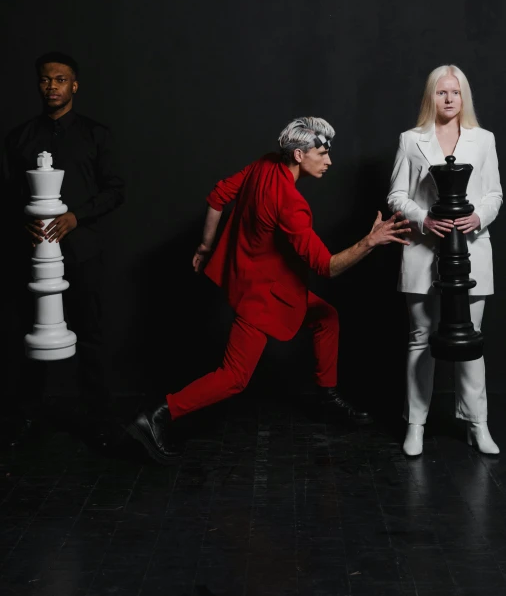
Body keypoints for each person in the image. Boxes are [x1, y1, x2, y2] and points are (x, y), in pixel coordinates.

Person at [128, 116, 410, 464]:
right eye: (321, 153)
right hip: (263, 297)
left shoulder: (265, 164)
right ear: (297, 155)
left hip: (253, 279)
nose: (329, 161)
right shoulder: (291, 205)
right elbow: (327, 266)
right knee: (233, 378)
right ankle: (158, 416)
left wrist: (205, 247)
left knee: (326, 318)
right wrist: (370, 241)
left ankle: (325, 396)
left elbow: (218, 197)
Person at [0, 51, 125, 442]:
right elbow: (7, 194)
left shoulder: (95, 134)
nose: (51, 86)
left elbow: (115, 190)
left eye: (60, 79)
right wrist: (25, 222)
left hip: (82, 250)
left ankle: (100, 421)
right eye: (44, 79)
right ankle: (26, 416)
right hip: (34, 252)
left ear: (74, 85)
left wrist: (75, 217)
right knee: (28, 329)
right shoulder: (20, 137)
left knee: (91, 334)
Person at [387, 65, 502, 456]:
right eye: (441, 92)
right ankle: (415, 425)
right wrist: (424, 219)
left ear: (464, 96)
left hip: (472, 250)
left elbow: (494, 194)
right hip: (423, 249)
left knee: (472, 339)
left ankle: (477, 424)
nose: (449, 99)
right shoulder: (410, 140)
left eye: (455, 92)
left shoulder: (484, 140)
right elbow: (397, 195)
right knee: (421, 338)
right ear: (430, 97)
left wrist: (478, 217)